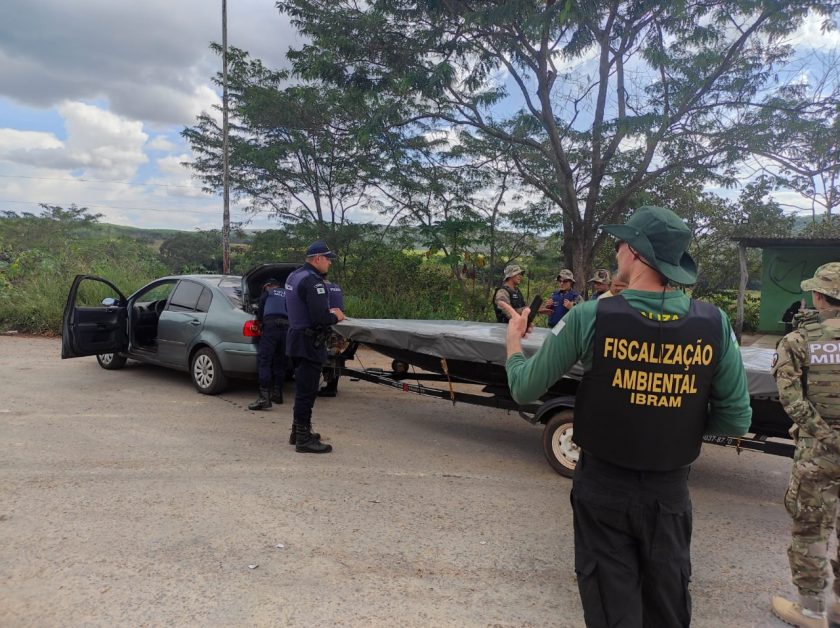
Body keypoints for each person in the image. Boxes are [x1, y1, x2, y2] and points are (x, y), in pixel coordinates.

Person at [499, 205, 752, 627]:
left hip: (603, 489)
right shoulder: (715, 323)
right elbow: (735, 420)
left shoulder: (590, 316)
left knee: (611, 607)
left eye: (620, 243)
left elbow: (525, 386)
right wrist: (671, 417)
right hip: (669, 492)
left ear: (633, 252)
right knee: (667, 606)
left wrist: (512, 344)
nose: (616, 251)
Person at [770, 263, 840, 628]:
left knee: (811, 530)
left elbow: (793, 400)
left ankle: (812, 610)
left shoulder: (800, 339)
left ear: (817, 295)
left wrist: (826, 435)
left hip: (820, 452)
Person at [284, 241, 346, 453]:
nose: (329, 262)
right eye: (327, 258)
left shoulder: (294, 276)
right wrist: (336, 316)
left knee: (303, 388)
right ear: (317, 258)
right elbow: (320, 318)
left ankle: (297, 431)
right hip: (310, 341)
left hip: (295, 337)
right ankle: (303, 438)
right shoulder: (313, 281)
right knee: (307, 391)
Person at [248, 278, 288, 411]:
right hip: (286, 329)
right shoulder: (288, 293)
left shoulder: (267, 294)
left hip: (270, 328)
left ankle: (264, 398)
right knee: (280, 361)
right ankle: (278, 394)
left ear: (268, 286)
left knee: (264, 361)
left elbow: (260, 315)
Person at [318, 277, 346, 398]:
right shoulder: (336, 287)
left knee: (329, 358)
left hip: (330, 326)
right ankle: (332, 387)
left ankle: (330, 388)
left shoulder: (323, 288)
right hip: (340, 326)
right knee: (336, 356)